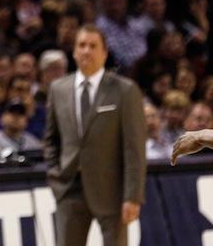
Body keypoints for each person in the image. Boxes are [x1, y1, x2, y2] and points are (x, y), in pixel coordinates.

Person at [43, 24, 146, 246]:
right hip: (69, 187)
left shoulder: (125, 90)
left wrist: (133, 196)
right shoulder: (58, 89)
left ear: (104, 53)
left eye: (92, 46)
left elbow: (134, 148)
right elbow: (51, 139)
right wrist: (55, 173)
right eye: (81, 45)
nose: (86, 51)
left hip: (112, 189)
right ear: (74, 51)